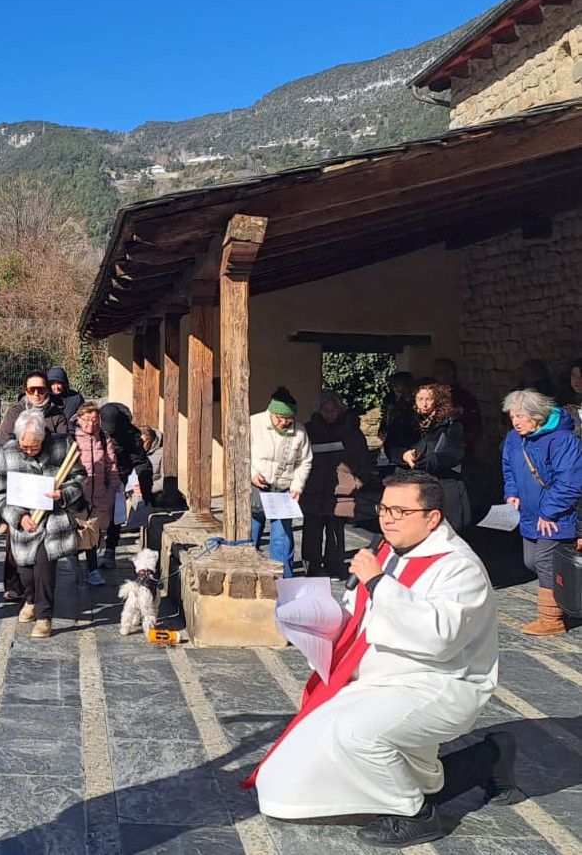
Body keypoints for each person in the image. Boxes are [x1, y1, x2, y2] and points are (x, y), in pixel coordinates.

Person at [247, 470, 517, 849]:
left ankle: (415, 814)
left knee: (355, 735)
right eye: (384, 508)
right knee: (294, 760)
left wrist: (377, 582)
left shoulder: (459, 567)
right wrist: (318, 622)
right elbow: (361, 613)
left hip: (439, 683)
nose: (388, 519)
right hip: (379, 679)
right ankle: (490, 757)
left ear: (432, 518)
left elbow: (439, 638)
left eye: (400, 511)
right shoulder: (386, 551)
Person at [0, 410, 86, 638]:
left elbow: (80, 477)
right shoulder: (7, 452)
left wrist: (63, 494)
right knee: (25, 572)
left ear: (43, 436)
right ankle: (31, 600)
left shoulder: (62, 445)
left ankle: (44, 617)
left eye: (35, 446)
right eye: (25, 446)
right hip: (24, 521)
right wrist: (18, 517)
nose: (29, 450)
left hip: (53, 519)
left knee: (44, 566)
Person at [501, 388, 582, 636]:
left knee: (545, 561)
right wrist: (512, 492)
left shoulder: (562, 440)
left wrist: (549, 512)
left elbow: (570, 481)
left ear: (537, 415)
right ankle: (568, 599)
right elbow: (508, 467)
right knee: (531, 561)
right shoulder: (514, 438)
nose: (515, 422)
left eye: (520, 416)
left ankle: (552, 618)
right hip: (529, 513)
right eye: (512, 416)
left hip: (556, 515)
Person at [0, 371, 72, 599]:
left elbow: (63, 446)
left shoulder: (57, 414)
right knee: (16, 537)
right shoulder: (14, 412)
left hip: (46, 482)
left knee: (44, 543)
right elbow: (3, 443)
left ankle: (40, 595)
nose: (37, 393)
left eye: (41, 389)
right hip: (20, 482)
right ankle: (14, 585)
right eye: (32, 389)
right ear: (25, 390)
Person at [302, 391, 371, 578]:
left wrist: (357, 481)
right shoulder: (309, 429)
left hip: (342, 488)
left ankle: (335, 565)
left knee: (336, 531)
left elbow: (363, 458)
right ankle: (312, 567)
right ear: (319, 411)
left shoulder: (351, 431)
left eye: (333, 411)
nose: (330, 415)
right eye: (326, 411)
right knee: (312, 530)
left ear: (340, 410)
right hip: (313, 488)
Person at [250, 387, 313, 578]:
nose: (284, 422)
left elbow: (304, 461)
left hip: (283, 488)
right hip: (258, 486)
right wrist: (252, 473)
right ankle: (249, 573)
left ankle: (283, 578)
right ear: (271, 412)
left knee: (282, 537)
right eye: (279, 418)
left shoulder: (299, 432)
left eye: (289, 419)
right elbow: (241, 453)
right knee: (251, 531)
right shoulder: (254, 424)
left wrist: (297, 486)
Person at [393, 382, 470, 529]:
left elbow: (456, 452)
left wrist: (433, 460)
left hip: (441, 481)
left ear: (437, 400)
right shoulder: (404, 421)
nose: (424, 404)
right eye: (420, 399)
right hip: (410, 480)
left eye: (429, 399)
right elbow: (392, 446)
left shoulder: (451, 422)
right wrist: (404, 455)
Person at [98, 402, 160, 565]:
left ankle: (110, 550)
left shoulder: (130, 434)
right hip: (95, 474)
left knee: (115, 513)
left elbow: (141, 462)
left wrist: (146, 490)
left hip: (119, 475)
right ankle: (91, 552)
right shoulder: (91, 427)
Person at [74, 401, 119, 586]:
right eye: (86, 419)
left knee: (93, 532)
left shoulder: (103, 438)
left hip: (98, 493)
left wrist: (113, 488)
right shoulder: (72, 438)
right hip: (76, 494)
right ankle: (73, 565)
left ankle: (92, 571)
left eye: (95, 420)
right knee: (76, 531)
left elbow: (111, 466)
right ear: (79, 419)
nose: (91, 424)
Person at [433, 359, 483, 455]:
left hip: (458, 447)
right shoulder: (432, 396)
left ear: (450, 373)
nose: (436, 376)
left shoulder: (464, 398)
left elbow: (474, 425)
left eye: (439, 372)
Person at [379, 372, 418, 476]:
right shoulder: (392, 402)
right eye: (393, 385)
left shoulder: (416, 404)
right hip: (394, 445)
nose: (395, 387)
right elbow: (386, 422)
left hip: (410, 443)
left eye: (397, 384)